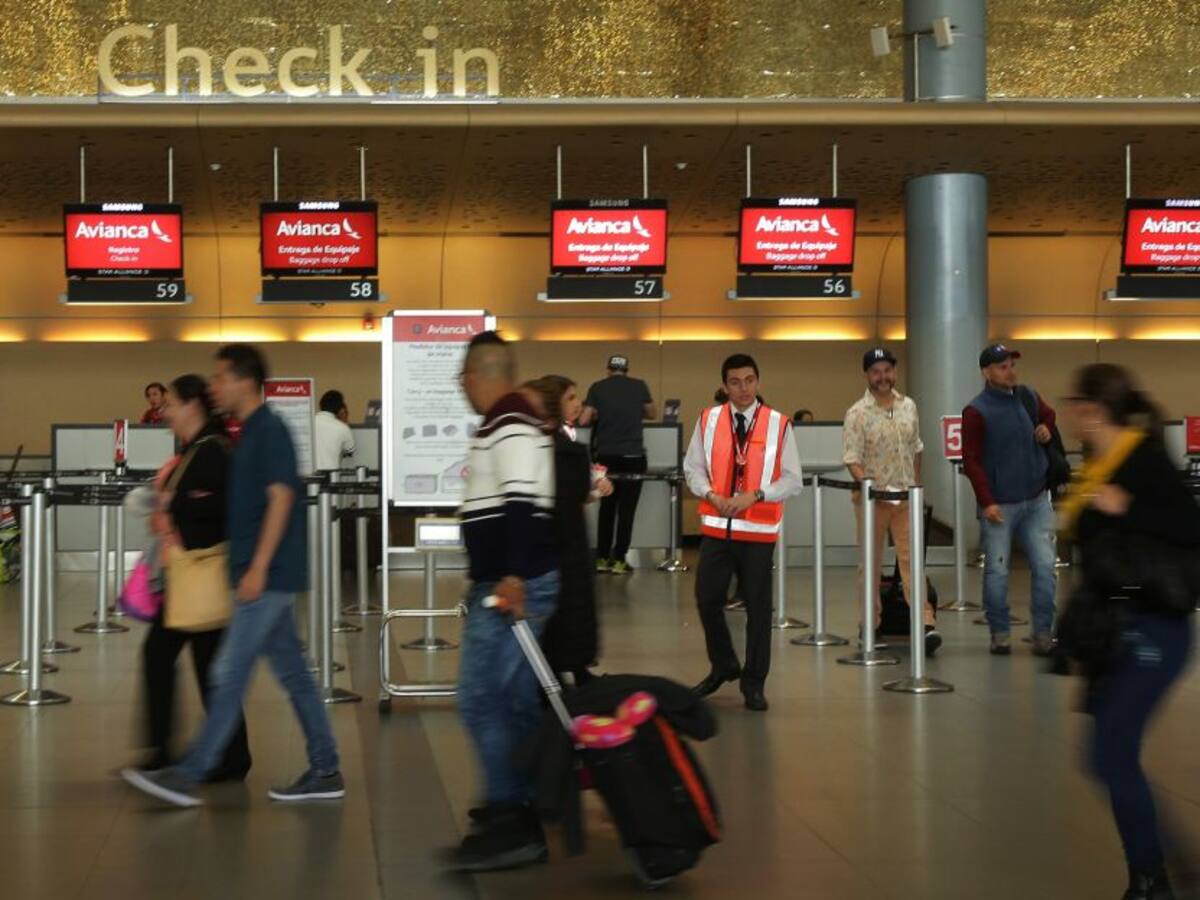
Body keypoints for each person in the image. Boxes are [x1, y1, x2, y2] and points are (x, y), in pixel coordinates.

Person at [122, 344, 343, 807]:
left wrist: (258, 568)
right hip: (264, 574)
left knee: (228, 671)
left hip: (268, 576)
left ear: (244, 380)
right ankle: (325, 769)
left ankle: (189, 774)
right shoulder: (251, 434)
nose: (215, 387)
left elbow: (282, 497)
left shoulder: (269, 430)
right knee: (296, 676)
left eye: (221, 378)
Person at [1056, 364, 1200, 900]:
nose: (1070, 412)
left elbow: (1190, 526)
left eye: (1075, 403)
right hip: (1117, 631)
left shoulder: (1141, 459)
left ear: (1093, 410)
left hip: (1155, 631)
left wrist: (1129, 507)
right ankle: (1153, 871)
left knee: (1110, 754)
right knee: (1106, 755)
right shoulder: (1098, 463)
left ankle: (1158, 873)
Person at [448, 332, 559, 872]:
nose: (463, 389)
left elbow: (520, 500)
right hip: (511, 580)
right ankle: (520, 804)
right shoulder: (509, 419)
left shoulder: (510, 417)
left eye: (462, 379)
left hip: (512, 585)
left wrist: (511, 576)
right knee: (512, 702)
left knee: (478, 698)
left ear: (476, 375)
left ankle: (511, 815)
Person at [134, 374, 251, 780]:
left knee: (165, 655)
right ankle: (226, 755)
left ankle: (171, 752)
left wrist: (178, 507)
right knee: (206, 664)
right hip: (191, 574)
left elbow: (227, 507)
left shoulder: (213, 451)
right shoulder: (196, 450)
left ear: (192, 406)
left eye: (171, 405)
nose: (165, 413)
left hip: (201, 572)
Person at [685, 353, 804, 712]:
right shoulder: (708, 419)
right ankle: (723, 665)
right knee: (707, 599)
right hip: (718, 527)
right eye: (735, 382)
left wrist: (756, 495)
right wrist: (711, 495)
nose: (742, 388)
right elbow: (693, 467)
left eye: (749, 380)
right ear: (724, 386)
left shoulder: (778, 424)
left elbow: (792, 479)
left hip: (758, 530)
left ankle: (754, 683)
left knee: (758, 608)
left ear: (758, 382)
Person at [962, 343, 1058, 657]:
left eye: (1011, 365)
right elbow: (972, 460)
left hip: (1036, 498)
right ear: (986, 373)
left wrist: (1046, 428)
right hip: (999, 504)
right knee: (997, 571)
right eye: (1002, 366)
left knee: (1045, 566)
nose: (1010, 371)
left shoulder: (1028, 395)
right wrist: (987, 501)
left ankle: (1043, 632)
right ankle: (1000, 633)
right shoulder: (976, 412)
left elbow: (1049, 415)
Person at [843, 348, 940, 656]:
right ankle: (870, 624)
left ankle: (924, 624)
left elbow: (917, 448)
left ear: (894, 372)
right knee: (870, 564)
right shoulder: (857, 413)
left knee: (911, 561)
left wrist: (916, 484)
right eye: (876, 371)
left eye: (887, 370)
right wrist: (868, 485)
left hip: (905, 498)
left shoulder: (908, 406)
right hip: (872, 501)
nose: (883, 377)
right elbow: (851, 458)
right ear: (867, 375)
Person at [524, 374, 613, 686]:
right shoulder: (563, 449)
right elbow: (574, 494)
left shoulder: (556, 441)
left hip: (559, 540)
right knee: (569, 605)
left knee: (571, 605)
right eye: (571, 398)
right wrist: (592, 489)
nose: (578, 404)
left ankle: (572, 666)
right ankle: (568, 667)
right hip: (565, 541)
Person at [580, 354, 656, 574]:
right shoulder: (639, 386)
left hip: (605, 457)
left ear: (608, 369)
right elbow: (652, 413)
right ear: (627, 370)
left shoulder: (597, 387)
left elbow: (584, 420)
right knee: (627, 511)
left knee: (607, 507)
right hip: (634, 457)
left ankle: (602, 558)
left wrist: (599, 412)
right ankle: (620, 560)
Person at [314, 389, 356, 471]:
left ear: (320, 405)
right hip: (331, 476)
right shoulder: (342, 428)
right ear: (339, 408)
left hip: (308, 476)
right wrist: (344, 421)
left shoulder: (308, 422)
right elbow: (349, 452)